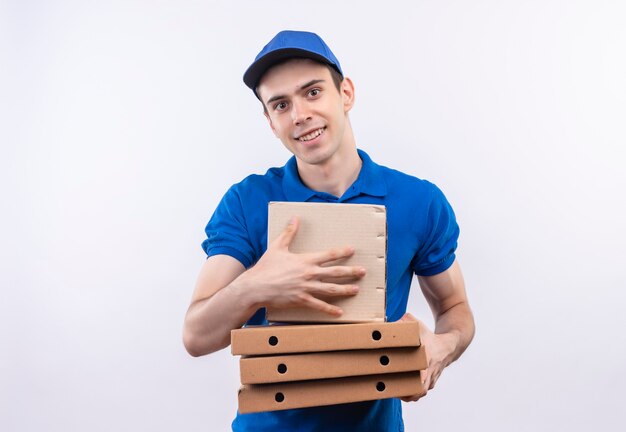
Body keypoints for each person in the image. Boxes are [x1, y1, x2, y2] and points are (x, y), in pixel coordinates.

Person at [183, 30, 475, 431]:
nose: (299, 114)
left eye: (313, 92)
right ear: (270, 121)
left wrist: (443, 346)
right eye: (281, 104)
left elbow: (455, 309)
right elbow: (196, 336)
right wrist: (257, 286)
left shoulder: (418, 201)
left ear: (346, 94)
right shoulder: (247, 201)